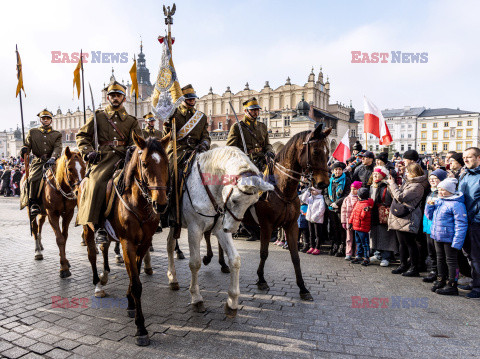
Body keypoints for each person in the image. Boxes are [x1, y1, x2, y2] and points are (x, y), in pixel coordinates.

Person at [76, 81, 141, 243]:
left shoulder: (131, 121)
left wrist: (132, 149)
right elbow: (82, 136)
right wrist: (88, 152)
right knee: (97, 183)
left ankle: (148, 221)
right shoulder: (98, 116)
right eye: (112, 95)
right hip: (103, 158)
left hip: (125, 158)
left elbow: (137, 140)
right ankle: (97, 226)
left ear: (124, 99)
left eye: (119, 95)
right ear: (108, 97)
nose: (115, 98)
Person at [163, 84, 210, 256]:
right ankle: (171, 213)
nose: (192, 100)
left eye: (193, 98)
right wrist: (168, 125)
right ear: (182, 100)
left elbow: (205, 134)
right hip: (178, 152)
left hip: (198, 152)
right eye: (188, 98)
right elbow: (167, 136)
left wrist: (205, 143)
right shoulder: (173, 115)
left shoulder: (201, 117)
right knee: (173, 176)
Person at [226, 96, 274, 242]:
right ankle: (250, 227)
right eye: (253, 110)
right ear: (246, 111)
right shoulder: (237, 127)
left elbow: (267, 144)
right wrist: (242, 155)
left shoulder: (262, 126)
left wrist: (270, 150)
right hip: (246, 164)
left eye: (257, 110)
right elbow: (230, 147)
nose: (256, 112)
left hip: (261, 162)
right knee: (243, 195)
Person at [426, 178, 468, 295]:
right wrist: (429, 206)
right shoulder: (439, 201)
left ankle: (452, 284)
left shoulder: (457, 204)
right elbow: (429, 216)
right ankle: (441, 280)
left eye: (443, 190)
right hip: (437, 236)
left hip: (450, 238)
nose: (440, 192)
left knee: (451, 261)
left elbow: (461, 224)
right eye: (439, 189)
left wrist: (457, 242)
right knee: (440, 259)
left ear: (450, 191)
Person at [20, 109, 62, 216]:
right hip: (39, 161)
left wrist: (53, 158)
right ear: (40, 120)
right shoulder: (33, 132)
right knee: (33, 178)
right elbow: (27, 146)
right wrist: (24, 150)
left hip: (53, 161)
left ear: (51, 121)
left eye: (48, 119)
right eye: (43, 118)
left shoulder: (57, 134)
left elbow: (58, 148)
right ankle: (33, 203)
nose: (46, 120)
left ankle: (67, 200)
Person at [388, 163, 427, 277]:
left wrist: (393, 184)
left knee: (410, 243)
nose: (406, 173)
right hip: (401, 215)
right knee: (402, 243)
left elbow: (401, 197)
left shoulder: (418, 186)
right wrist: (393, 186)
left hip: (409, 216)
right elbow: (396, 195)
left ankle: (414, 267)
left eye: (408, 172)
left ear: (414, 172)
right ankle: (403, 264)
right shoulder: (409, 182)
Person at [458, 147, 480, 299]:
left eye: (469, 157)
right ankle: (475, 280)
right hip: (464, 221)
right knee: (469, 255)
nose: (465, 160)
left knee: (477, 256)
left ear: (478, 158)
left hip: (476, 222)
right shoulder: (465, 174)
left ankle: (478, 287)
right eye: (464, 157)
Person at [422, 169, 447, 283]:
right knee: (431, 250)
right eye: (430, 178)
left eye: (435, 178)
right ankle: (433, 271)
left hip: (437, 227)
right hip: (428, 226)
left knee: (439, 253)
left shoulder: (442, 193)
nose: (431, 180)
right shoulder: (430, 192)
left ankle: (441, 274)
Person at [368, 166, 396, 267]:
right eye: (374, 173)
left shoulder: (387, 186)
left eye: (377, 173)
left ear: (383, 175)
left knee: (386, 236)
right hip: (374, 213)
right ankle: (377, 254)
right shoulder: (372, 186)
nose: (375, 175)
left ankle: (386, 257)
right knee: (375, 234)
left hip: (384, 213)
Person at [324, 162, 351, 256]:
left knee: (341, 228)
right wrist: (330, 203)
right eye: (335, 169)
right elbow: (325, 194)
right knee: (333, 227)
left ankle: (342, 246)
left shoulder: (346, 180)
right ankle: (335, 244)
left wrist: (337, 203)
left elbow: (347, 193)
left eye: (339, 169)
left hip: (341, 207)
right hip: (331, 208)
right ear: (332, 171)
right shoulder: (330, 180)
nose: (337, 171)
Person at [349, 188, 374, 266]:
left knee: (365, 243)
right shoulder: (358, 202)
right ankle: (359, 256)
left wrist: (365, 211)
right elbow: (353, 213)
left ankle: (366, 258)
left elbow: (363, 217)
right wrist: (350, 222)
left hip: (363, 228)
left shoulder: (366, 204)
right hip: (356, 227)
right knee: (358, 243)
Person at [300, 187, 326, 255]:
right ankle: (312, 246)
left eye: (313, 190)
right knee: (311, 233)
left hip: (317, 219)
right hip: (310, 218)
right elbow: (303, 199)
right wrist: (307, 191)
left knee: (317, 234)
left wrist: (315, 217)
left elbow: (321, 210)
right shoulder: (311, 198)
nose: (312, 192)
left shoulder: (320, 199)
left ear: (318, 191)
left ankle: (317, 247)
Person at [341, 181, 362, 260]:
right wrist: (343, 221)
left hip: (357, 222)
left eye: (355, 189)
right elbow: (343, 210)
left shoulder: (360, 199)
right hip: (348, 221)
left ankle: (357, 253)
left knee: (358, 238)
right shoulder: (347, 199)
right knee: (349, 238)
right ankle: (348, 253)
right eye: (352, 189)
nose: (353, 191)